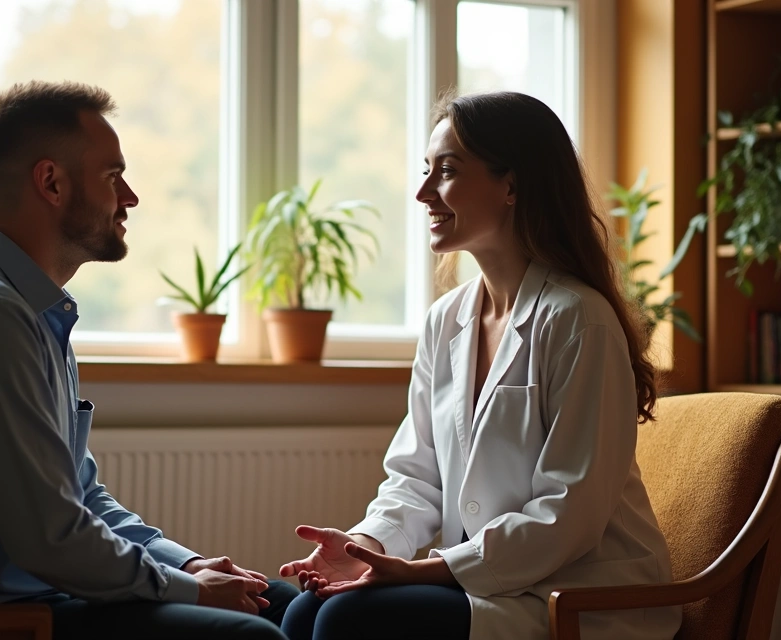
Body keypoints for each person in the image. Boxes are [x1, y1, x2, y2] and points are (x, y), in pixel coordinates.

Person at [0, 80, 295, 640]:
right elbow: (52, 539)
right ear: (51, 182)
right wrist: (189, 590)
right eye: (113, 177)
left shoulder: (30, 310)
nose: (130, 197)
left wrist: (187, 565)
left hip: (48, 598)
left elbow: (81, 497)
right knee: (253, 633)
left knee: (280, 602)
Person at [278, 91, 683, 640]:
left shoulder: (578, 320)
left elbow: (571, 512)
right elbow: (416, 478)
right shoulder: (447, 319)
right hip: (495, 586)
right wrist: (364, 548)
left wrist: (429, 570)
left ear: (512, 185)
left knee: (351, 621)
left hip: (581, 598)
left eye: (445, 171)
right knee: (303, 612)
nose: (423, 193)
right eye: (426, 171)